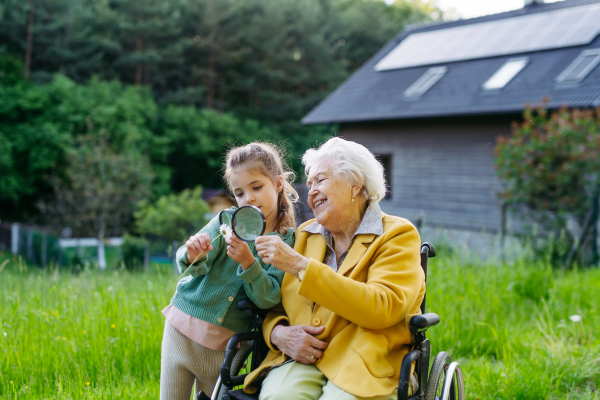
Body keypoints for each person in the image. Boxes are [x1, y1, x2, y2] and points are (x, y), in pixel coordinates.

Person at [248, 137, 426, 400]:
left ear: (356, 183)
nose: (311, 193)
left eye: (320, 180)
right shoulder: (305, 236)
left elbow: (383, 306)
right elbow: (276, 302)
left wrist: (301, 267)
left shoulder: (397, 235)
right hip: (306, 356)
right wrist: (278, 333)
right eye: (309, 185)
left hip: (366, 359)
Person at [160, 143, 298, 400]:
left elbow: (269, 298)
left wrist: (249, 263)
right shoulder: (226, 221)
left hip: (227, 347)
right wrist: (193, 252)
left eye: (257, 187)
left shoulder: (286, 242)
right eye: (240, 193)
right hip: (182, 327)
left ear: (278, 184)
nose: (249, 198)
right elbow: (187, 260)